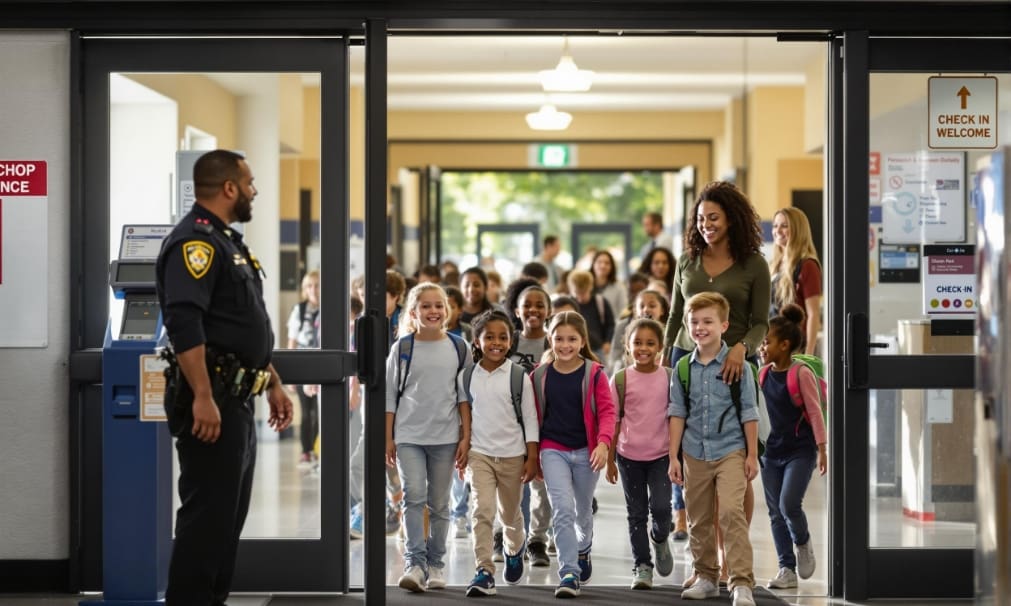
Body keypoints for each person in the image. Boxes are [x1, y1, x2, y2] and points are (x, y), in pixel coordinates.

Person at [156, 149, 293, 606]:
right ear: (229, 187)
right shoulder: (194, 244)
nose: (254, 190)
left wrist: (271, 380)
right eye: (250, 182)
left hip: (235, 400)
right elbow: (185, 324)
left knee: (226, 521)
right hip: (211, 402)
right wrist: (201, 396)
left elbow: (239, 327)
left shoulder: (226, 241)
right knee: (205, 522)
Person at [662, 180, 769, 585]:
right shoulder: (687, 261)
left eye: (714, 218)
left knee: (734, 460)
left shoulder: (753, 263)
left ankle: (730, 559)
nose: (706, 225)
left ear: (732, 219)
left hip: (735, 365)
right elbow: (675, 315)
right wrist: (666, 360)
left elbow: (762, 321)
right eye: (701, 218)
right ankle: (702, 565)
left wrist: (743, 348)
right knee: (694, 461)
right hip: (687, 363)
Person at [668, 292, 759, 606]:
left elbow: (749, 411)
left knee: (732, 513)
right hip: (694, 452)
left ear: (724, 325)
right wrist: (674, 457)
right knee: (699, 517)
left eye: (708, 321)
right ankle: (706, 576)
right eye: (694, 322)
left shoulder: (740, 368)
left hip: (731, 449)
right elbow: (677, 414)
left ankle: (741, 582)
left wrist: (751, 454)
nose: (700, 327)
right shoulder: (682, 368)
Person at [387, 283, 473, 593]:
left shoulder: (459, 347)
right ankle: (415, 563)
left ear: (447, 311)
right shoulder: (403, 348)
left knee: (440, 504)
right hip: (409, 435)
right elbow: (389, 397)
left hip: (446, 437)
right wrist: (388, 438)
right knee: (414, 498)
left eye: (438, 305)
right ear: (413, 312)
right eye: (426, 306)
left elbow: (465, 397)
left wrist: (466, 437)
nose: (433, 311)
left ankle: (436, 563)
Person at [533, 311, 616, 598]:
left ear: (582, 341)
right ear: (550, 339)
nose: (565, 345)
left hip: (586, 451)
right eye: (558, 339)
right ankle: (569, 572)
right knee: (562, 509)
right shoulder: (539, 375)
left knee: (583, 511)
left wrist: (604, 443)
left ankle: (584, 549)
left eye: (571, 339)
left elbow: (607, 411)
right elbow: (532, 417)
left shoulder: (594, 373)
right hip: (552, 449)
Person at [463, 310, 540, 597]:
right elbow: (464, 415)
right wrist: (464, 447)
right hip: (479, 454)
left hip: (512, 456)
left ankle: (514, 548)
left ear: (511, 341)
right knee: (482, 510)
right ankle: (483, 570)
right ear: (478, 340)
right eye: (489, 337)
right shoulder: (468, 375)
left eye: (503, 337)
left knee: (510, 515)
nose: (496, 342)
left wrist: (531, 457)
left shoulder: (519, 376)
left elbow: (530, 419)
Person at [759, 304, 827, 590]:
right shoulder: (762, 374)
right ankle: (786, 569)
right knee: (775, 512)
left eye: (767, 342)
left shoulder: (801, 374)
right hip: (771, 454)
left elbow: (814, 412)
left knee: (789, 504)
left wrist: (822, 447)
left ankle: (803, 542)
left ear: (784, 345)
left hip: (800, 450)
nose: (762, 347)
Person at [605, 318, 674, 590]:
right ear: (627, 345)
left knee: (660, 508)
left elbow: (676, 418)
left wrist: (678, 456)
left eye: (650, 343)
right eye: (637, 343)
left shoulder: (668, 377)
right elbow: (614, 421)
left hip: (662, 455)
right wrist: (610, 460)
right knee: (636, 514)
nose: (643, 348)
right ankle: (642, 566)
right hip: (628, 457)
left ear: (660, 347)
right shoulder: (621, 379)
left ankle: (660, 539)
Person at [509, 284, 554, 566]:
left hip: (546, 423)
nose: (533, 310)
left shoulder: (554, 342)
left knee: (540, 484)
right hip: (510, 424)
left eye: (539, 305)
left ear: (548, 311)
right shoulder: (508, 340)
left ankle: (538, 539)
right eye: (527, 305)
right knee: (510, 482)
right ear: (517, 310)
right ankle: (507, 534)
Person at [769, 207, 823, 355]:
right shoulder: (775, 264)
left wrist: (809, 352)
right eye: (775, 225)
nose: (777, 230)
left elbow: (813, 314)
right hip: (774, 343)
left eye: (784, 226)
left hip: (795, 347)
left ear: (798, 230)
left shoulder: (808, 265)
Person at [286, 270, 321, 467]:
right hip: (302, 364)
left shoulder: (330, 309)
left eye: (317, 285)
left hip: (320, 365)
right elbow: (292, 341)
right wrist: (290, 375)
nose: (313, 290)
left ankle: (316, 449)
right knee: (306, 412)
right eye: (309, 286)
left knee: (318, 412)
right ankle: (306, 451)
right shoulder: (298, 310)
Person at [607, 289, 670, 375]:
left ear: (662, 310)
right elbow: (615, 357)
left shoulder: (669, 334)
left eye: (652, 306)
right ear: (635, 311)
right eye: (641, 306)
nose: (646, 309)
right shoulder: (626, 329)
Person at [566, 270, 615, 362]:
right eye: (577, 293)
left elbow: (610, 324)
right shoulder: (568, 304)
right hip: (574, 349)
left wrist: (608, 342)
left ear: (590, 287)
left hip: (598, 349)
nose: (580, 297)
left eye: (583, 293)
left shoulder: (600, 302)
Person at [591, 249, 627, 322]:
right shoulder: (586, 285)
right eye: (599, 262)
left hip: (614, 326)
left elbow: (623, 311)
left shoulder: (619, 287)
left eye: (607, 263)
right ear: (593, 264)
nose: (603, 266)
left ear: (612, 267)